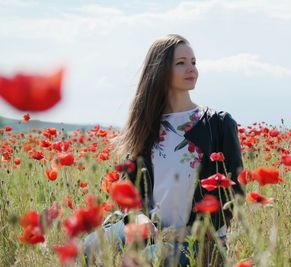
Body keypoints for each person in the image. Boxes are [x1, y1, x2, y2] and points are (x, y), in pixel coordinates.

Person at [84, 34, 244, 266]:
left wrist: (187, 233)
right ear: (160, 71)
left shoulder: (218, 124)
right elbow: (127, 187)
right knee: (90, 248)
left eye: (194, 62)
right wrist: (138, 217)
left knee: (146, 260)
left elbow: (235, 193)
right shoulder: (147, 125)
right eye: (181, 63)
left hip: (198, 242)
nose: (192, 69)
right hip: (149, 230)